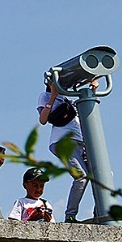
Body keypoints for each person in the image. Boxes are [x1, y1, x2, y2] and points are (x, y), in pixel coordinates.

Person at [38, 76, 94, 222]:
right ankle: (70, 216)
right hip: (63, 142)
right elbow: (43, 120)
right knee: (81, 177)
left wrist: (93, 88)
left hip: (81, 141)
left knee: (101, 174)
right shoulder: (45, 96)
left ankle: (100, 212)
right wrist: (53, 96)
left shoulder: (70, 97)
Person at [8, 167, 54, 242]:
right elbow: (13, 224)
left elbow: (53, 225)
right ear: (25, 185)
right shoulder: (21, 202)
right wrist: (31, 219)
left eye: (41, 186)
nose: (38, 189)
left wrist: (47, 219)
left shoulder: (46, 204)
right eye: (34, 185)